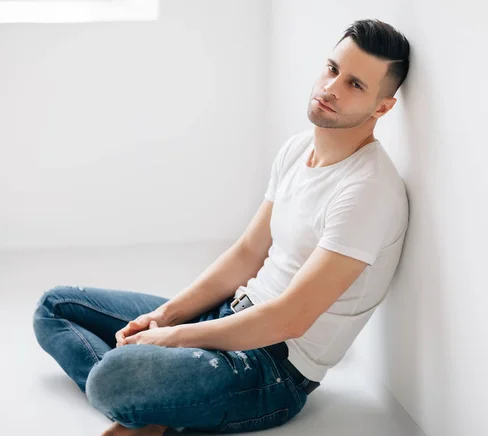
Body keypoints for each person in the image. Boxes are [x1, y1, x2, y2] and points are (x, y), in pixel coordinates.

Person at [32, 18, 411, 436]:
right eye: (332, 68)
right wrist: (166, 317)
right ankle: (156, 408)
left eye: (355, 85)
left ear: (382, 107)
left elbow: (290, 319)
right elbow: (248, 253)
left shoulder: (368, 191)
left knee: (111, 379)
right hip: (231, 313)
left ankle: (148, 402)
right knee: (54, 307)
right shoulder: (298, 148)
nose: (331, 88)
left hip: (271, 367)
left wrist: (173, 340)